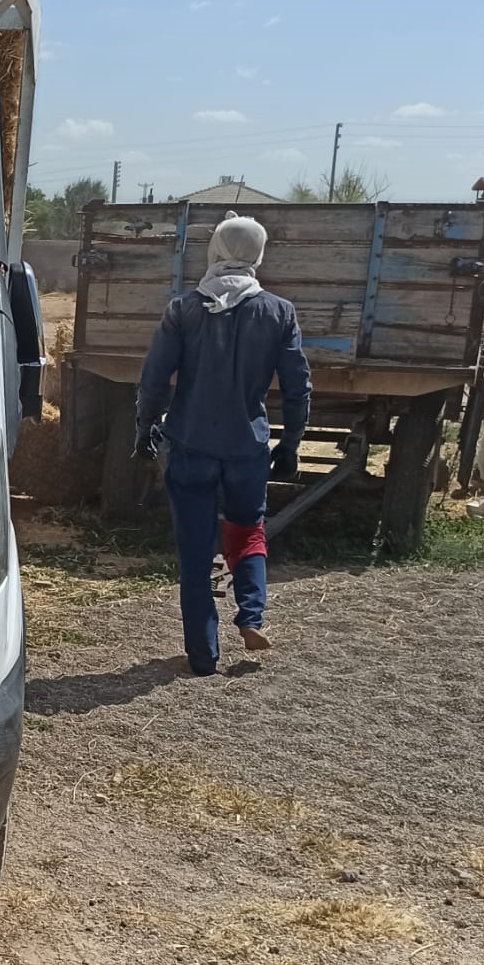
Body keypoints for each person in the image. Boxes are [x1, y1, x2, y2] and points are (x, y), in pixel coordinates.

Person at [134, 213, 311, 676]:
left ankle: (203, 655)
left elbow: (154, 378)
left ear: (214, 250)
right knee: (247, 530)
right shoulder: (279, 312)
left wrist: (143, 426)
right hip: (247, 446)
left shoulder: (183, 310)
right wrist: (292, 441)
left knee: (195, 552)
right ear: (258, 253)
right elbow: (297, 385)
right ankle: (251, 616)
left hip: (190, 443)